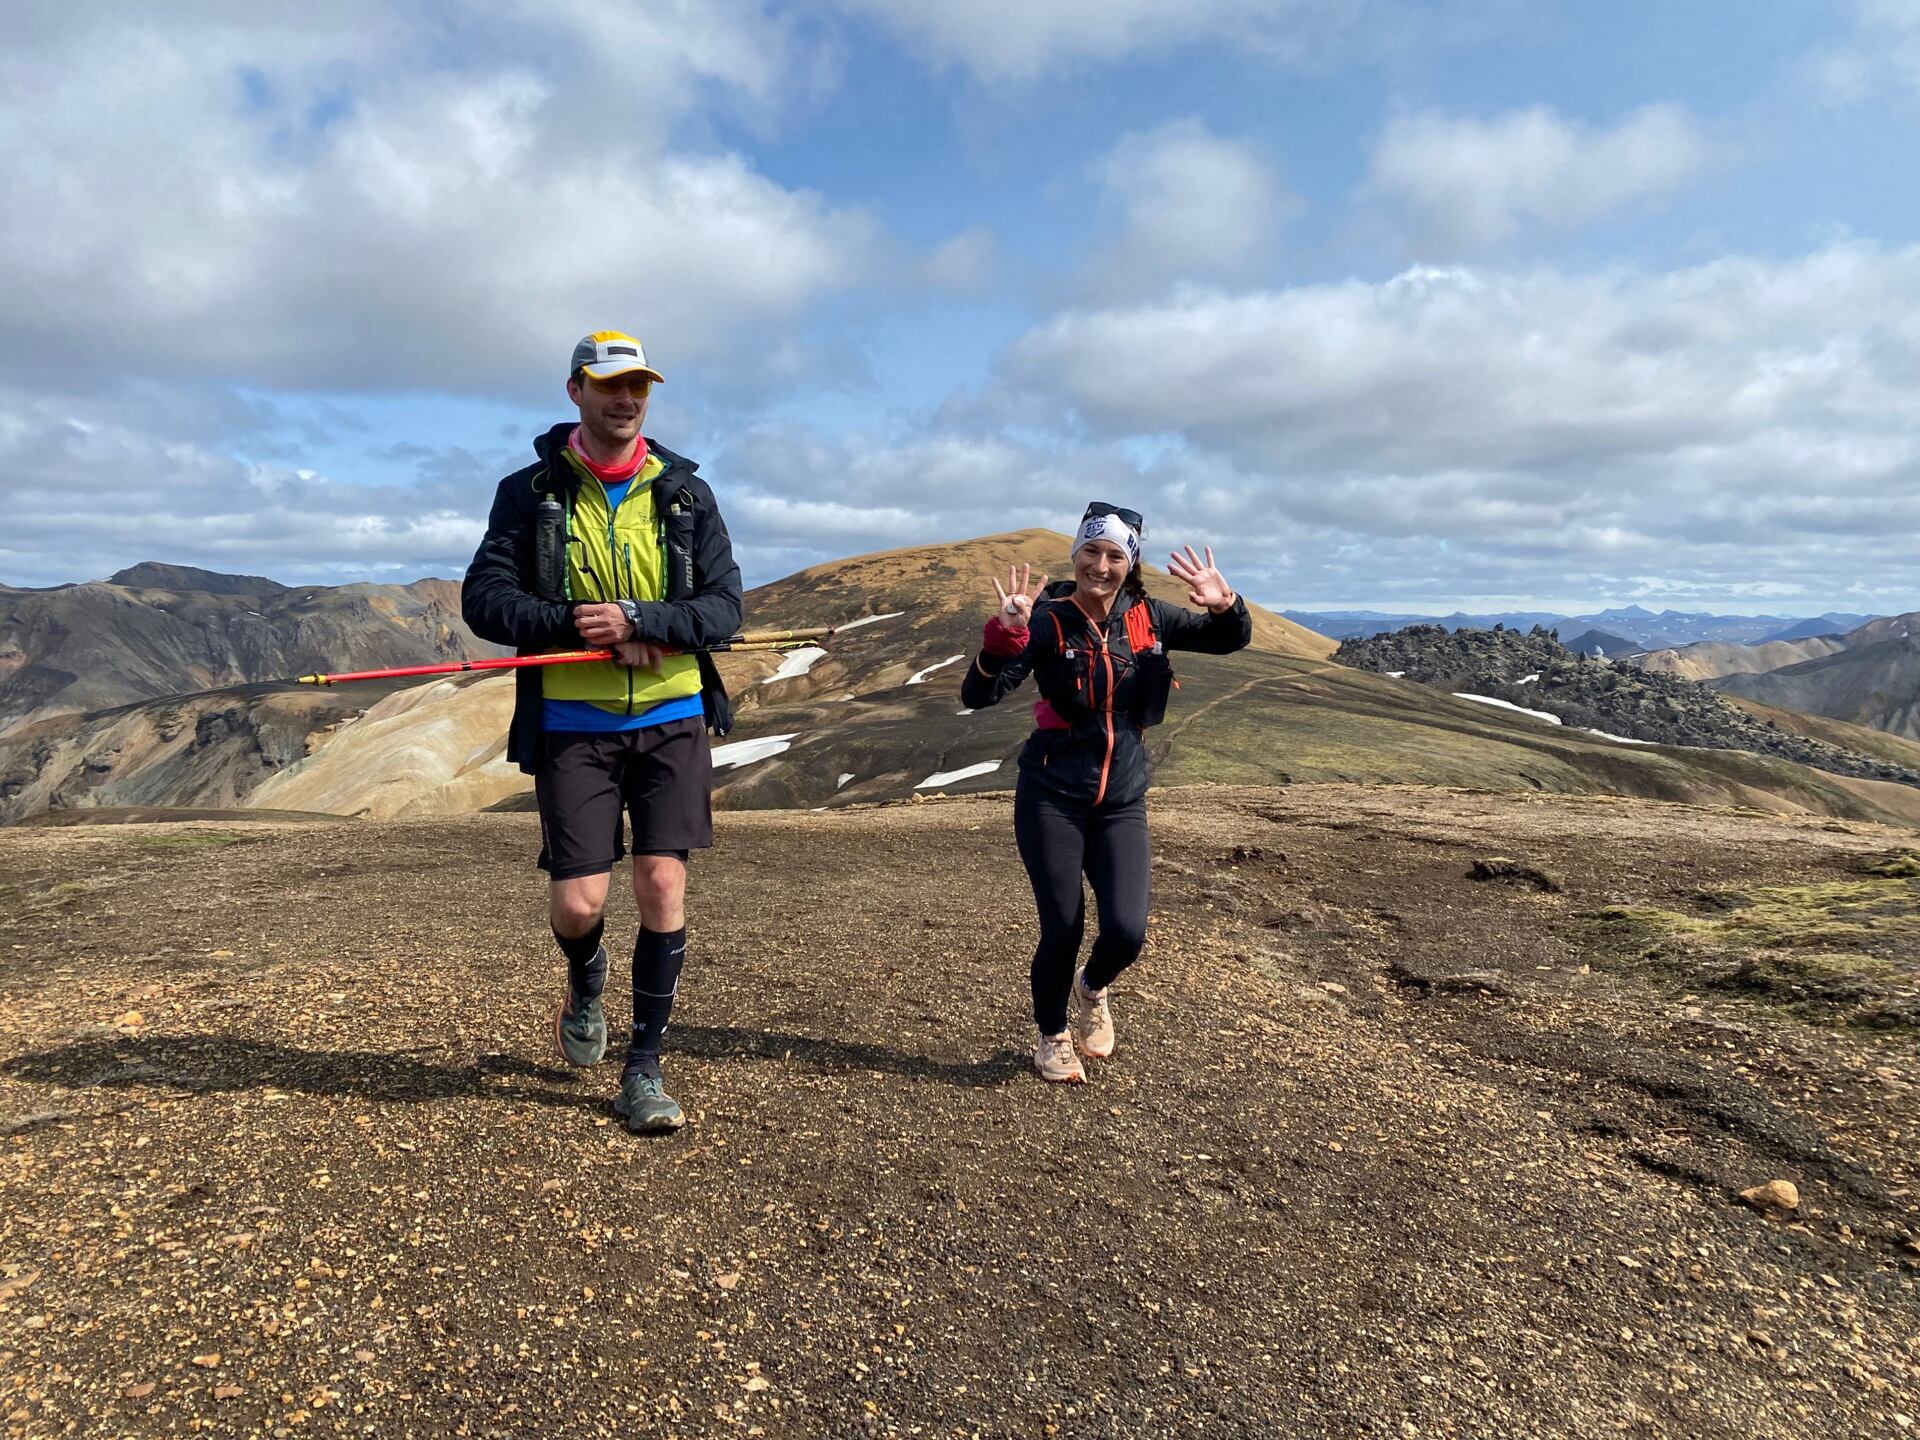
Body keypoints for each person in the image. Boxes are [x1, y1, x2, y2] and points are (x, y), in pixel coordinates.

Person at [462, 331, 743, 1133]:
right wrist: (577, 625)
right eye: (609, 384)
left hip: (672, 715)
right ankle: (586, 975)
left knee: (662, 884)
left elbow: (724, 607)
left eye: (638, 386)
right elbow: (485, 599)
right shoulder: (529, 491)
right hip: (572, 724)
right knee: (579, 904)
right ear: (575, 391)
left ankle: (643, 1067)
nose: (626, 399)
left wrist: (646, 621)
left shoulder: (685, 494)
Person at [960, 503, 1251, 1082]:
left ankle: (1092, 987)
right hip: (1052, 796)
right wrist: (1002, 639)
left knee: (1126, 930)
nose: (1100, 565)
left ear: (1130, 563)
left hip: (1121, 800)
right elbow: (979, 694)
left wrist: (1226, 606)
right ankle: (1052, 1036)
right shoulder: (1047, 621)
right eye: (1090, 551)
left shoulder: (1150, 617)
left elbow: (1227, 640)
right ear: (1075, 555)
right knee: (1063, 927)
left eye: (1115, 555)